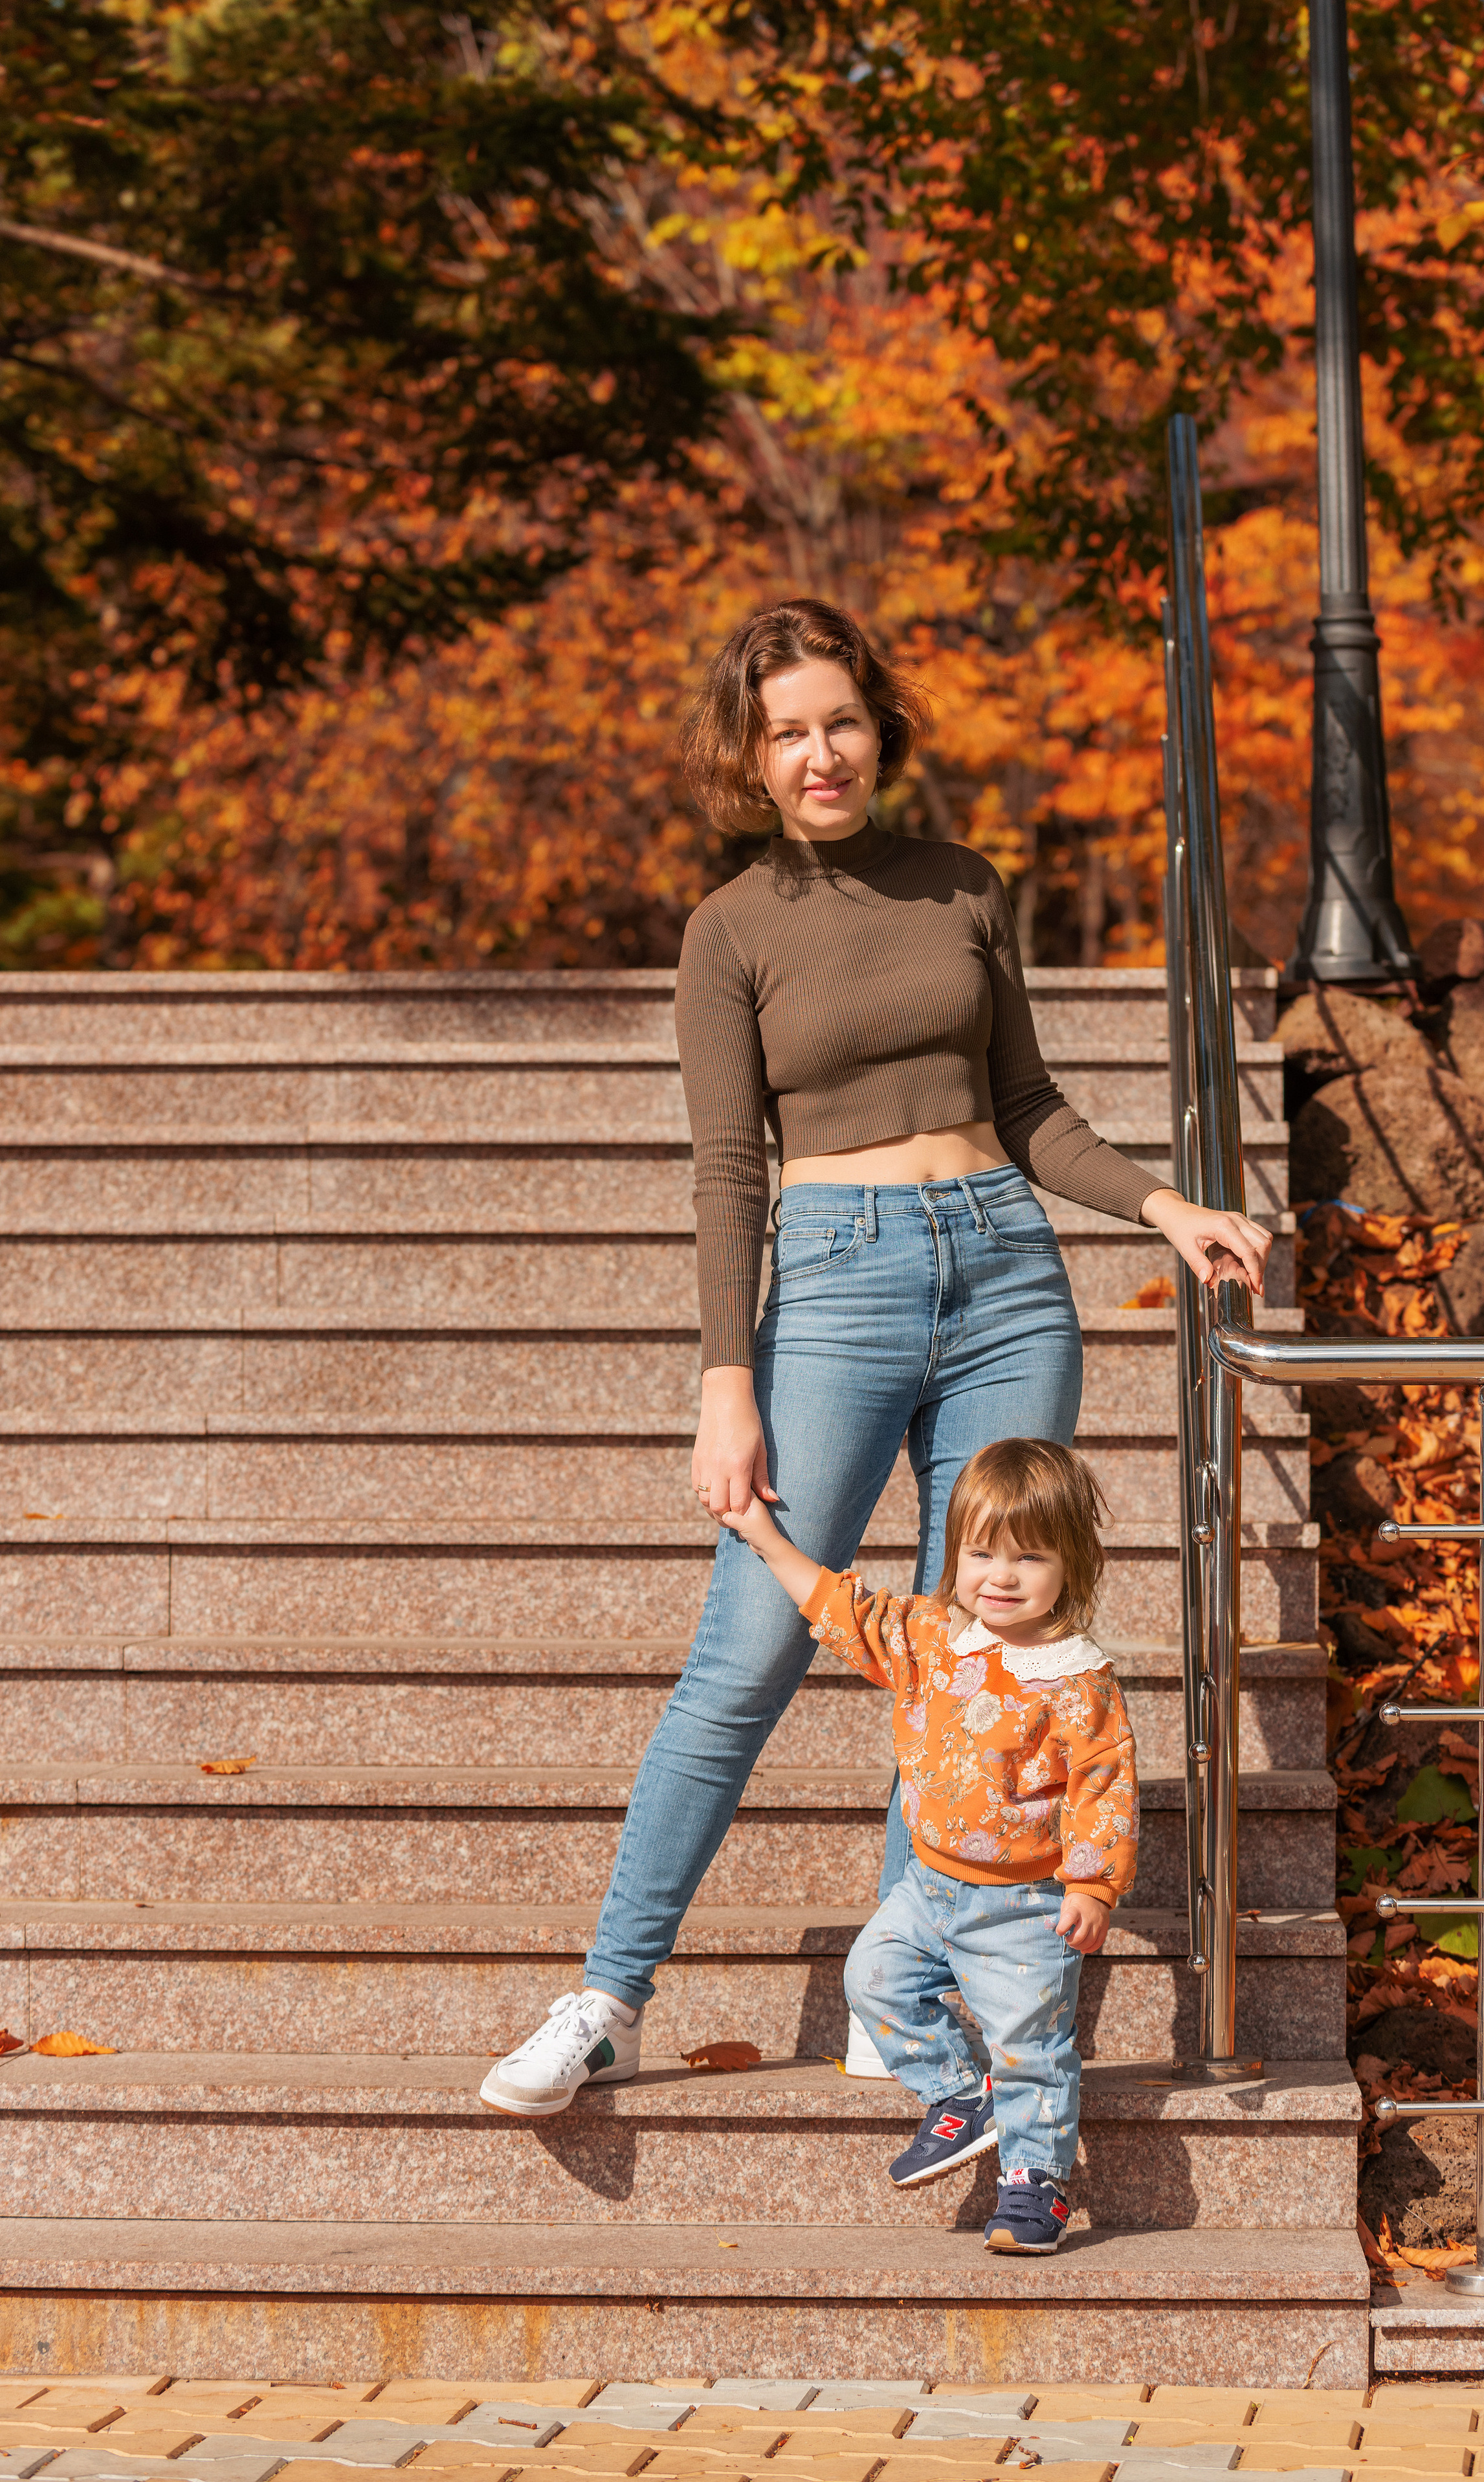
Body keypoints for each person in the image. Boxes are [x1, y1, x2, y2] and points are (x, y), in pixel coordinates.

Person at [479, 597, 1269, 2122]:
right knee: (746, 1654)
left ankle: (906, 1998)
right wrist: (727, 1377)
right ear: (752, 757)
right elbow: (726, 1164)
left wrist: (1164, 1204)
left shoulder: (961, 887)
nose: (818, 751)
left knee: (973, 1654)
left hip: (1002, 1273)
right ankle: (607, 1993)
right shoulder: (731, 927)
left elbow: (1028, 1102)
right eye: (786, 730)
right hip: (829, 1285)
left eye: (838, 718)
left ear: (876, 726)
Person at [718, 1435, 1135, 2255]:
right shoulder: (932, 1636)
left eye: (1028, 1557)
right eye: (981, 1552)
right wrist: (766, 1538)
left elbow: (1103, 1790)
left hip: (1024, 1904)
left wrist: (1092, 1887)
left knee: (1030, 2046)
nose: (1000, 1576)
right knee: (871, 1977)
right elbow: (843, 1613)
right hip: (927, 1887)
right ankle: (957, 2095)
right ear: (955, 1554)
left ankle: (1035, 2186)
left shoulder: (1078, 1679)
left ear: (1071, 1566)